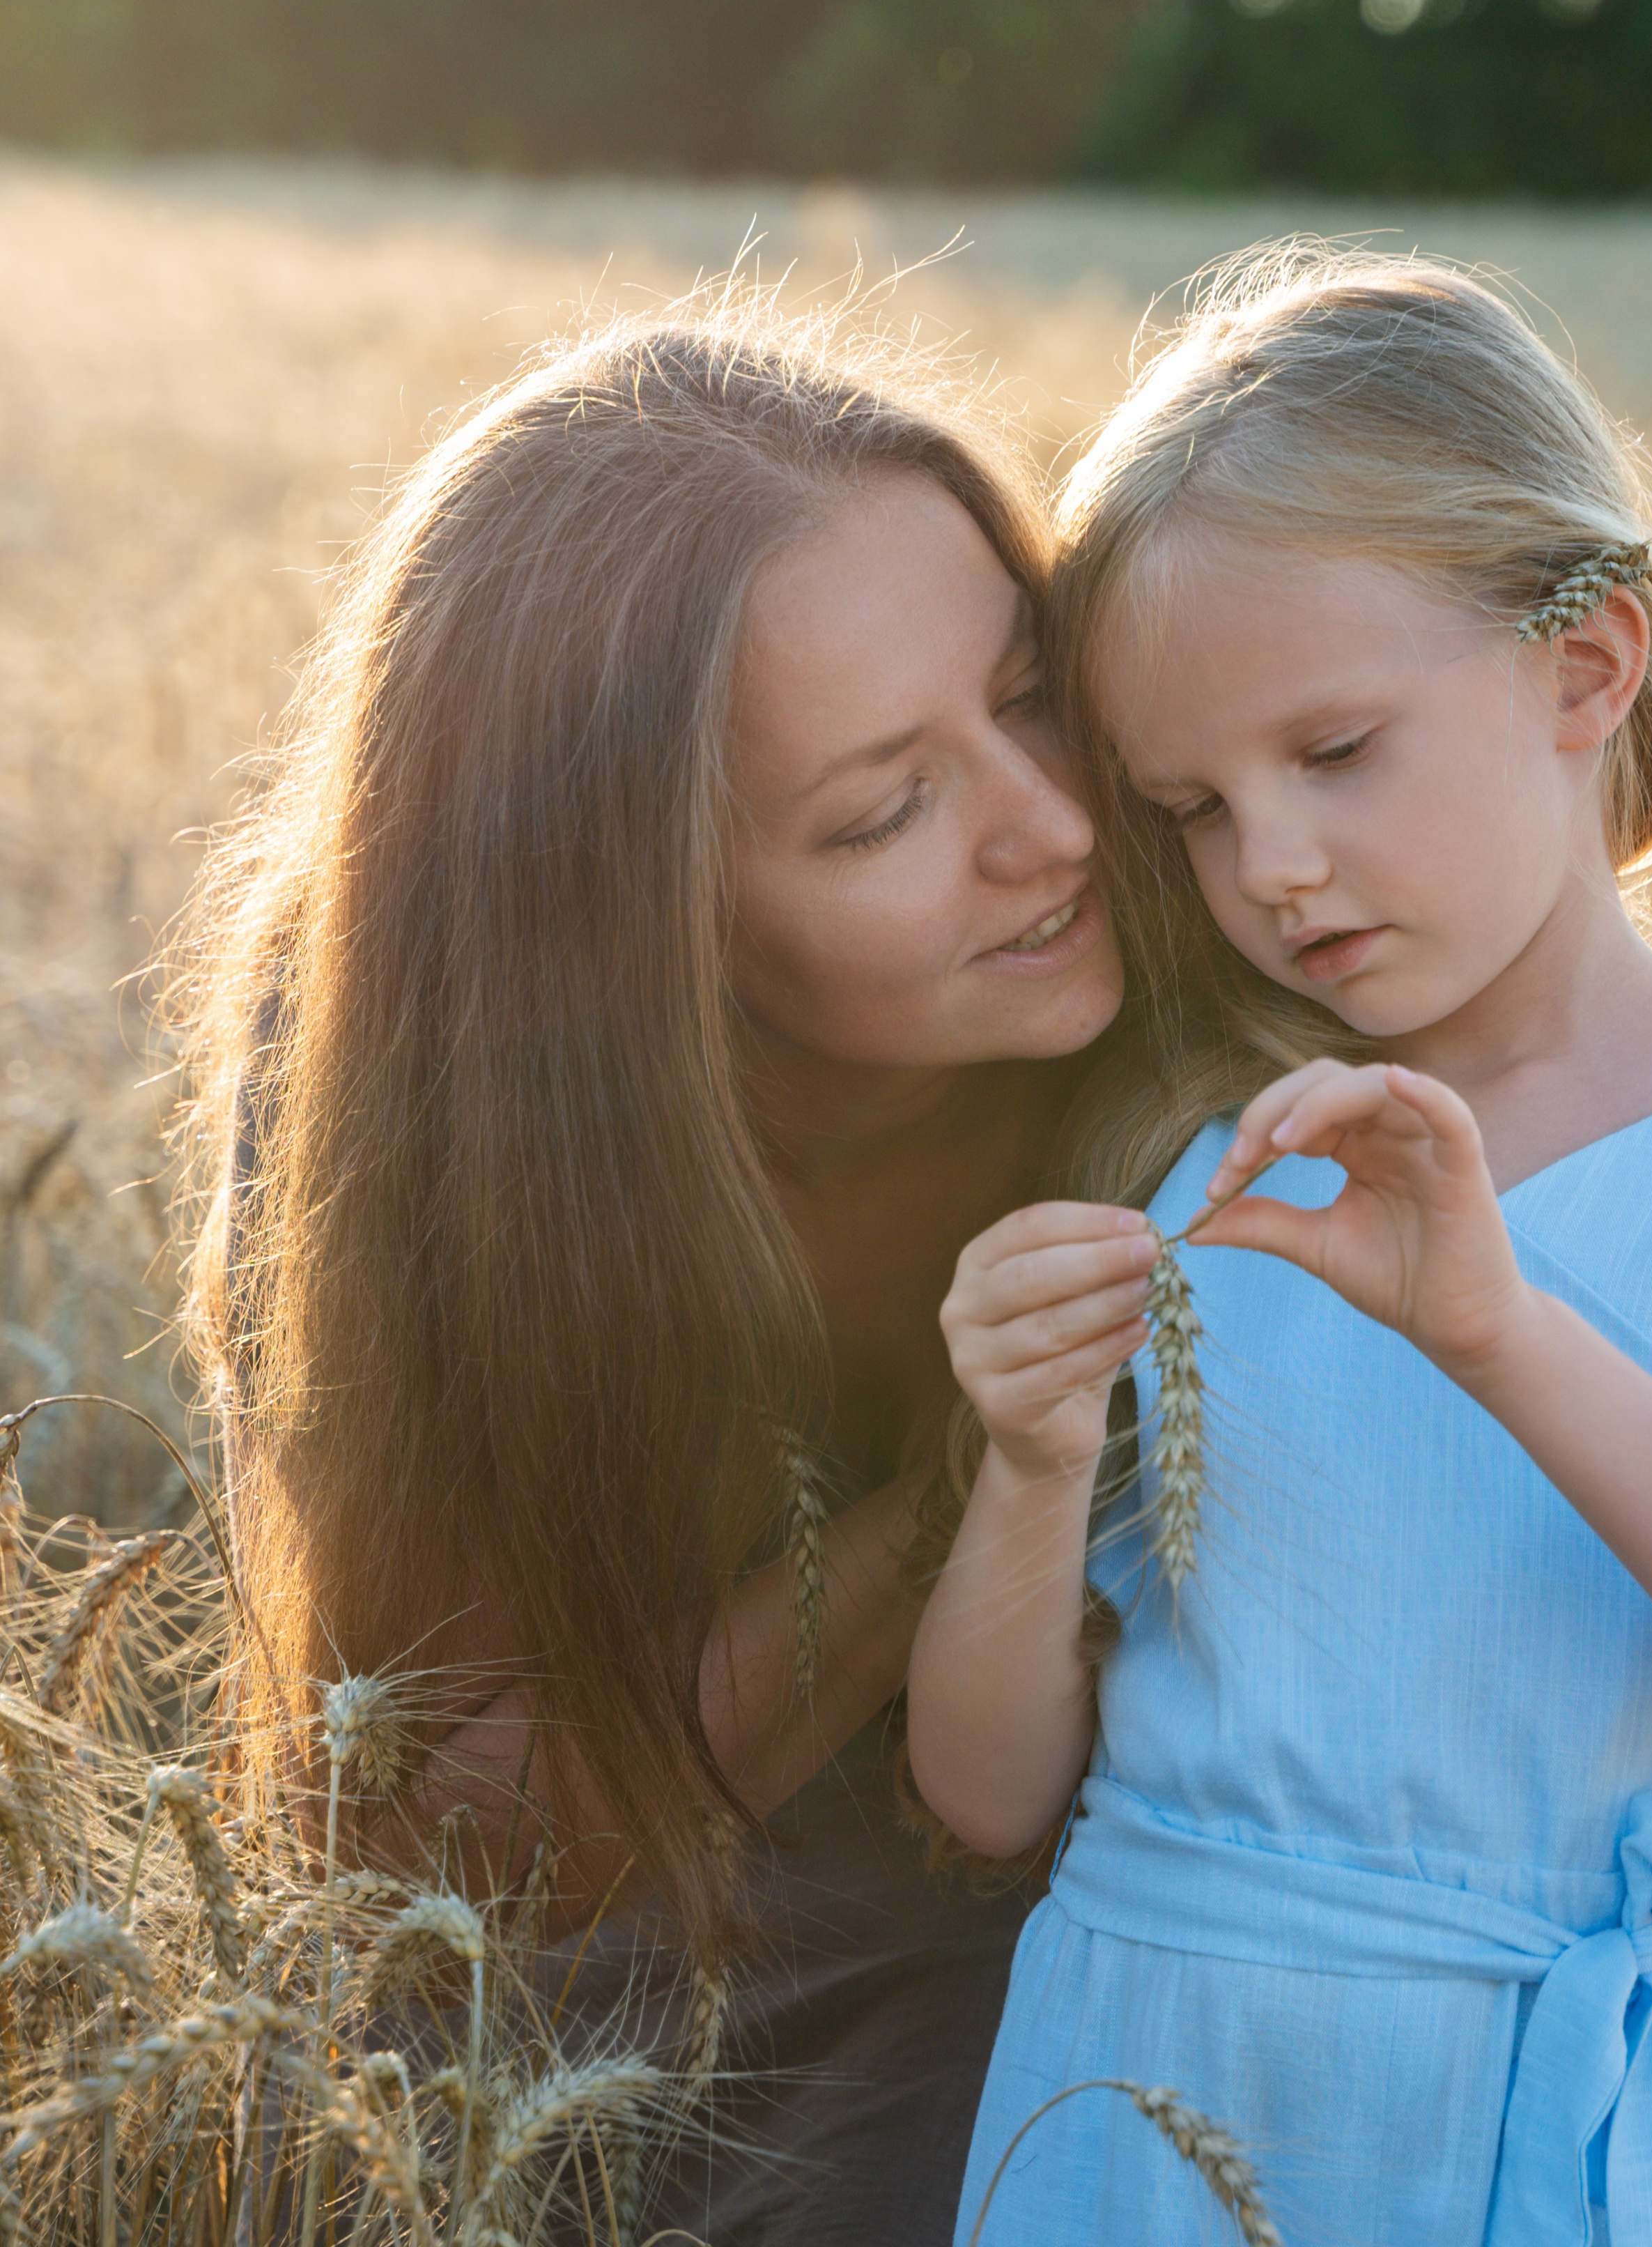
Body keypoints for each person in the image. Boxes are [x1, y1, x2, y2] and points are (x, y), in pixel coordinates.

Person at [181, 297, 1132, 2246]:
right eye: (886, 811)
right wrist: (981, 1482)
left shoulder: (1199, 868)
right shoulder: (413, 1073)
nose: (1054, 830)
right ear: (647, 929)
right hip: (657, 1973)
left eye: (1033, 692)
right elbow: (458, 1836)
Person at [908, 250, 1652, 2247]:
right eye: (1193, 809)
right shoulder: (1206, 1161)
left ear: (1588, 667)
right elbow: (988, 1794)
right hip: (1132, 2101)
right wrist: (1030, 1467)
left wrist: (1498, 1331)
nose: (1271, 869)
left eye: (1333, 753)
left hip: (1527, 2134)